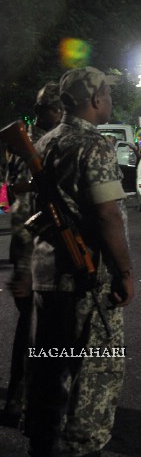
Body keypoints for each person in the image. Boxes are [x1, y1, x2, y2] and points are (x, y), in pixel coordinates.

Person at [24, 67, 134, 457]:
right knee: (93, 377)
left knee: (49, 371)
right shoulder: (95, 145)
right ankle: (80, 450)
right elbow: (107, 214)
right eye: (107, 92)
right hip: (85, 279)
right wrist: (124, 273)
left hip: (47, 275)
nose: (111, 99)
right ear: (94, 99)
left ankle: (42, 444)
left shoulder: (44, 141)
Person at [4, 82, 63, 422]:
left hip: (28, 255)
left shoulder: (26, 146)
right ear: (54, 112)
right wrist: (25, 269)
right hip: (33, 258)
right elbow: (23, 212)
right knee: (32, 333)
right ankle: (21, 402)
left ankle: (28, 400)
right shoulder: (33, 149)